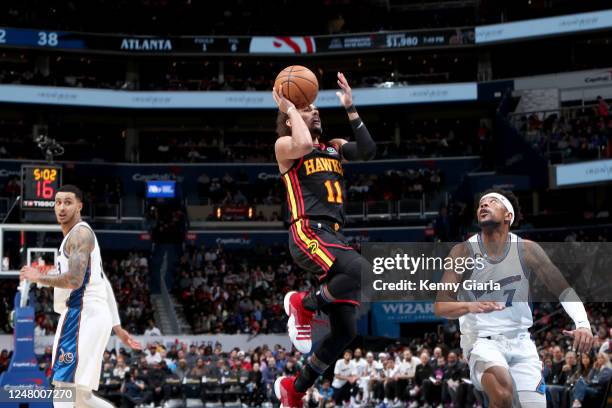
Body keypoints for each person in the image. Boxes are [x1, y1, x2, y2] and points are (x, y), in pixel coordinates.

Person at [271, 72, 376, 407]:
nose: (314, 111)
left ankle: (295, 388)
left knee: (346, 331)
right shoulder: (285, 147)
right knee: (363, 270)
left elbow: (368, 151)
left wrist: (351, 108)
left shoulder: (333, 147)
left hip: (332, 235)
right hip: (306, 230)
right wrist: (290, 107)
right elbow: (301, 143)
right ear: (289, 119)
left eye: (316, 108)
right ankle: (303, 304)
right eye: (307, 109)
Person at [435, 189, 594, 408]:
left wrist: (583, 324)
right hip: (482, 341)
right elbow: (441, 305)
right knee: (502, 394)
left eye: (492, 201)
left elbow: (562, 289)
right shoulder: (462, 252)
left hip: (521, 342)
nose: (483, 205)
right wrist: (471, 305)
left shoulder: (527, 250)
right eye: (481, 203)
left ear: (508, 215)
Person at [20, 184, 142, 407]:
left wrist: (38, 277)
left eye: (68, 202)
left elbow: (74, 280)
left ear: (79, 206)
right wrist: (118, 328)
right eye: (58, 202)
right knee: (81, 397)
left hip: (82, 315)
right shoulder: (77, 237)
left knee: (63, 390)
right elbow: (102, 283)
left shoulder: (80, 234)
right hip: (92, 315)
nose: (62, 207)